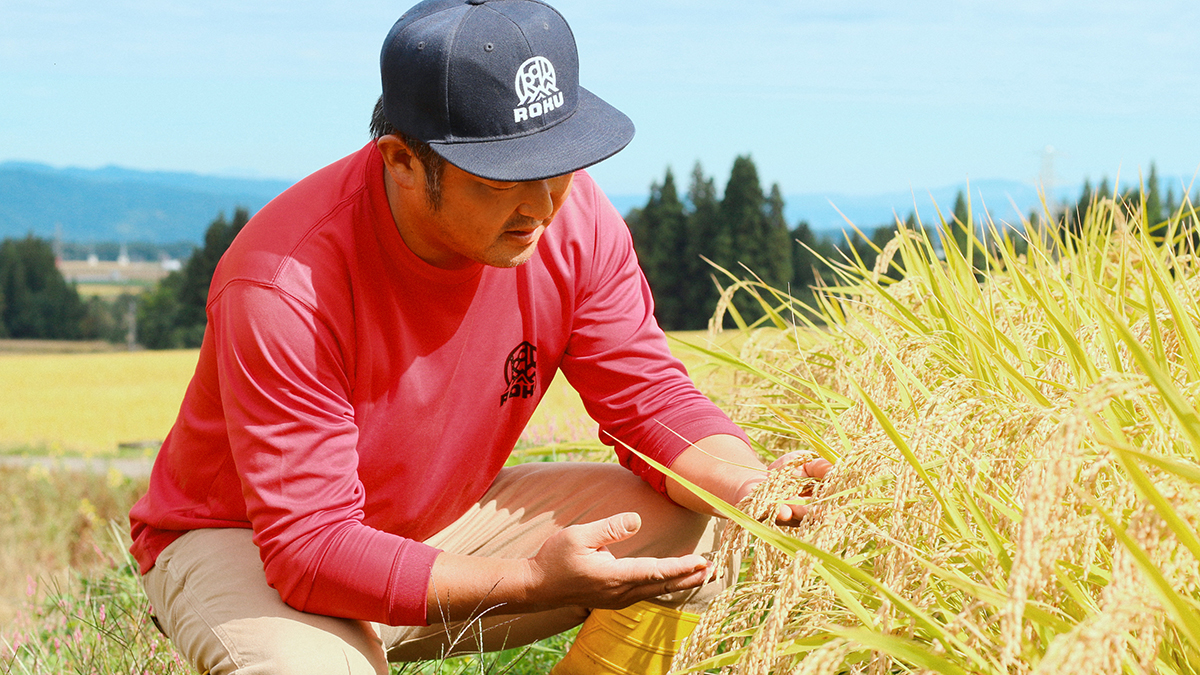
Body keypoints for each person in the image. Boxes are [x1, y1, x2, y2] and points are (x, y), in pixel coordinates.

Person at [128, 0, 830, 673]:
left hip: (429, 523)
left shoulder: (572, 218)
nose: (544, 204)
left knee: (691, 523)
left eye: (559, 162)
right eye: (505, 176)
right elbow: (310, 547)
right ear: (402, 160)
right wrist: (526, 580)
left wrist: (750, 486)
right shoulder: (285, 284)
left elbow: (648, 398)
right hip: (251, 542)